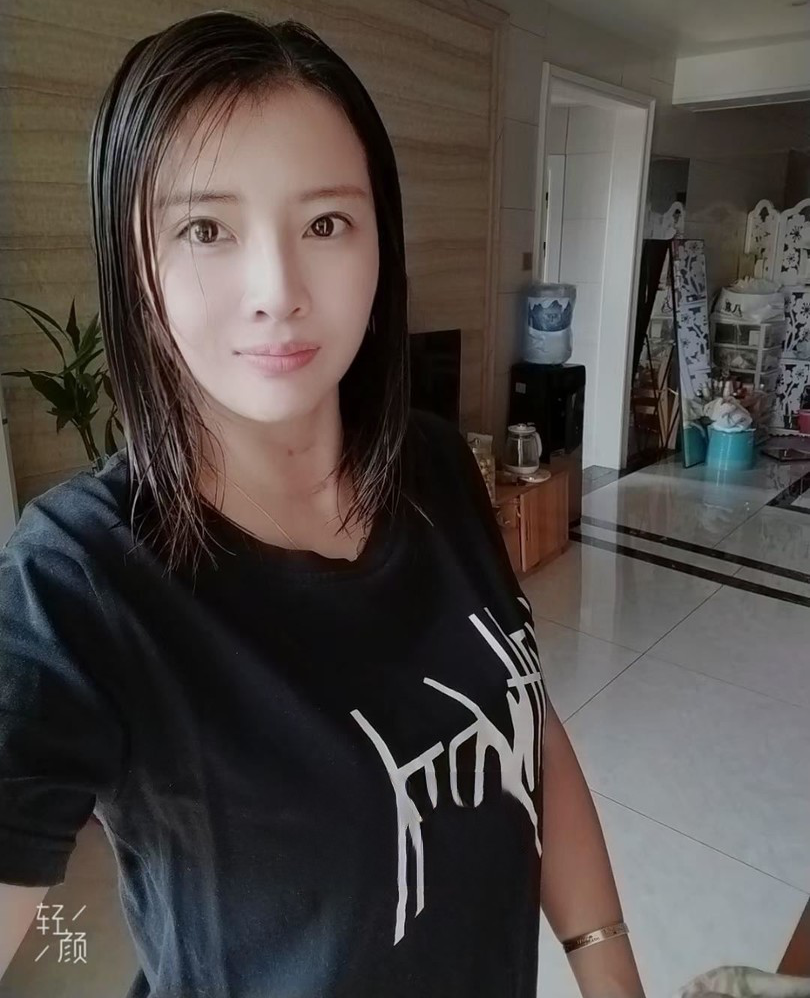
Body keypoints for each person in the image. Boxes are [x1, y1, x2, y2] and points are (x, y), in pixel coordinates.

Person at [0, 11, 646, 997]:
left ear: (381, 241)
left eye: (326, 223)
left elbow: (525, 724)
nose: (278, 289)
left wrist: (609, 966)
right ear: (137, 262)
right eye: (206, 228)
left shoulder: (435, 466)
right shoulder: (74, 581)